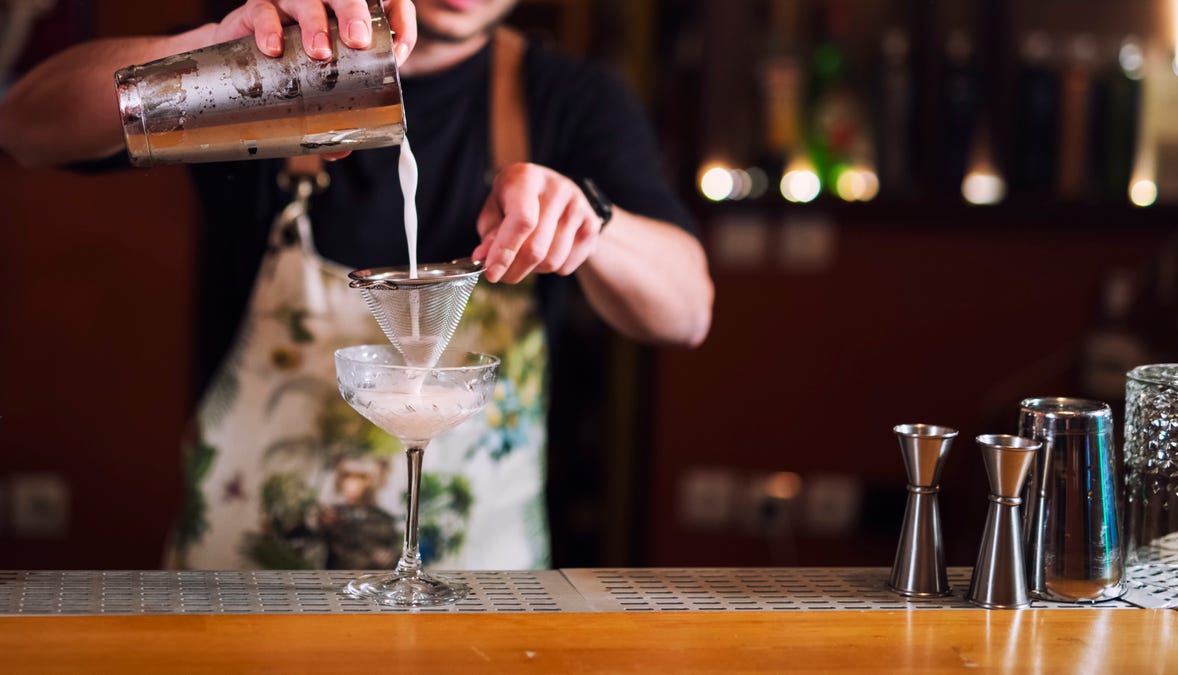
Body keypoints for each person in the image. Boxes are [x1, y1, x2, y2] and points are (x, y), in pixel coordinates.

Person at [0, 0, 712, 570]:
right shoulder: (272, 53)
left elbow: (687, 312)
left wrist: (590, 220)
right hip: (242, 595)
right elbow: (26, 126)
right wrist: (214, 51)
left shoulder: (568, 99)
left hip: (479, 602)